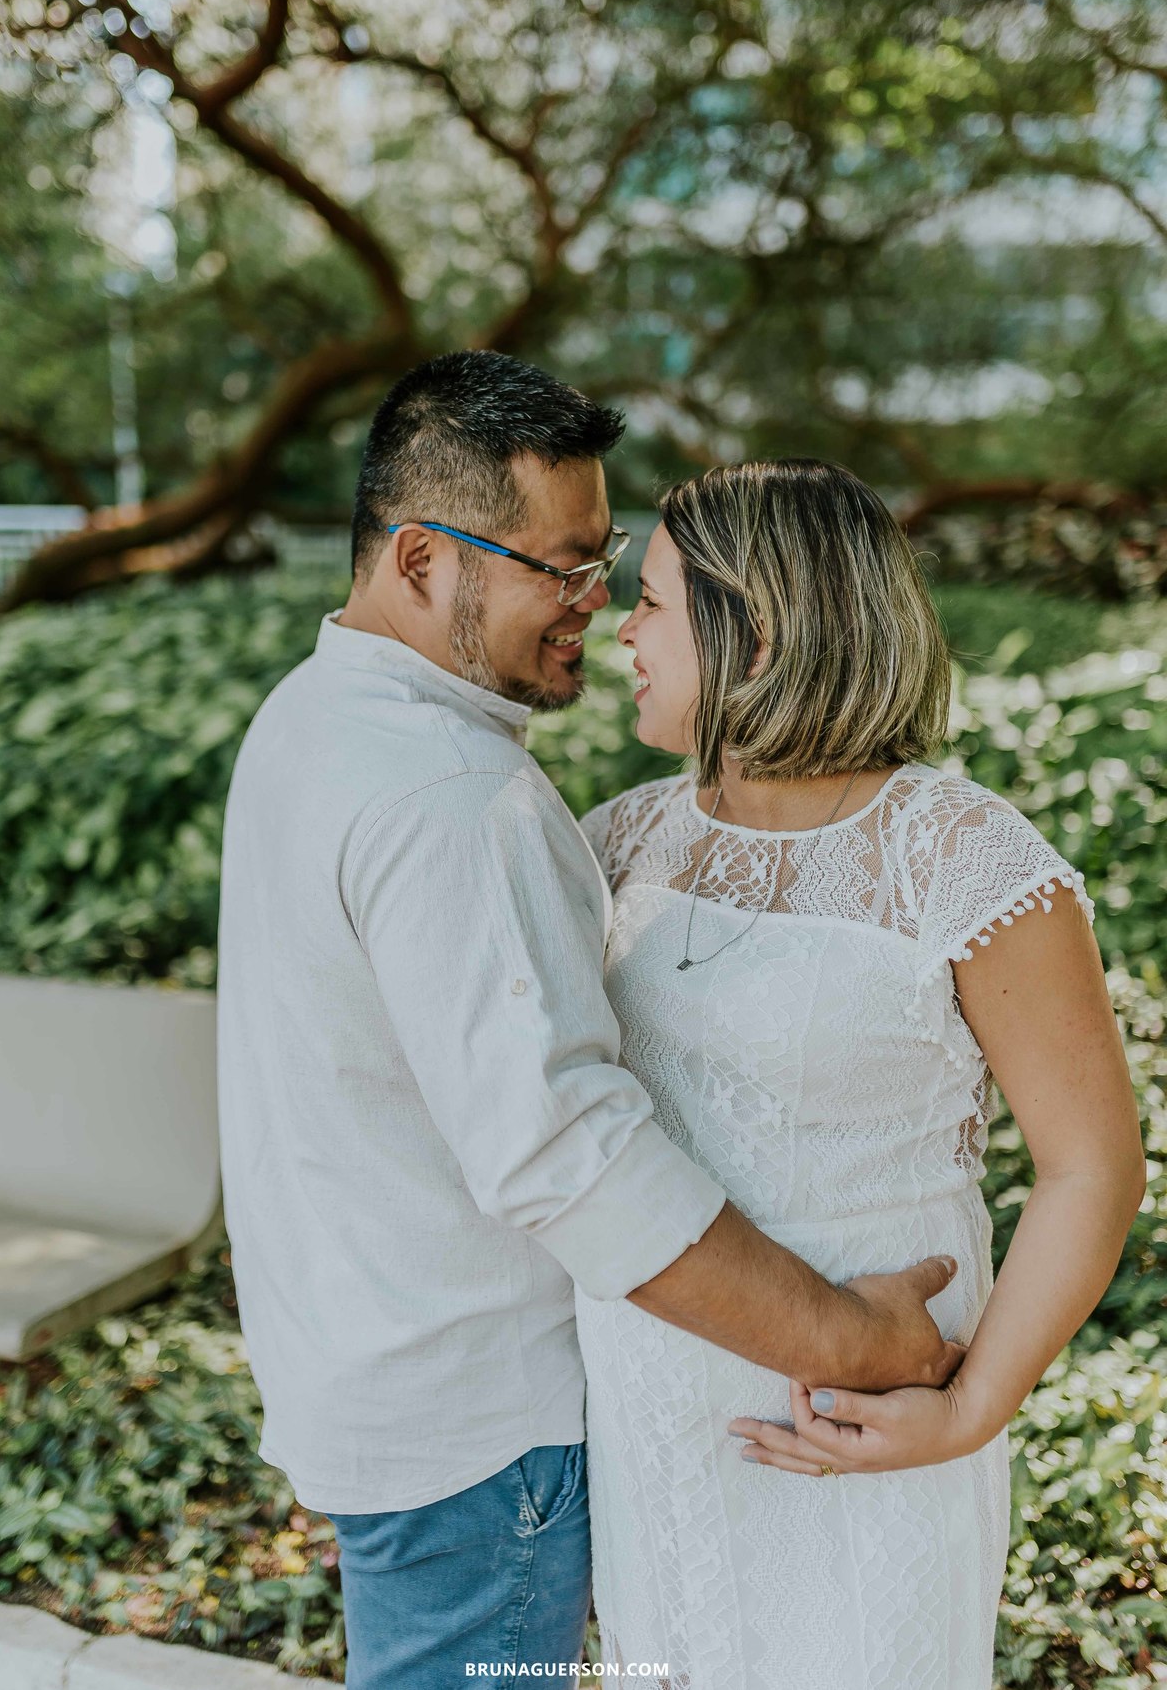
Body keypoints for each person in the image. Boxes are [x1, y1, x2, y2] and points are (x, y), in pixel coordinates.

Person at [216, 358, 961, 1690]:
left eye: (599, 556)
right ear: (423, 558)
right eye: (557, 566)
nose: (597, 602)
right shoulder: (454, 796)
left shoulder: (311, 717)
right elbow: (572, 1161)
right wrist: (857, 1340)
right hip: (479, 1439)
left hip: (378, 1383)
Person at [575, 458, 1146, 1690]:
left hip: (873, 1419)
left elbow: (1092, 1169)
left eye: (656, 601)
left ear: (760, 632)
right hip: (654, 1393)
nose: (621, 626)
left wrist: (972, 1406)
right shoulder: (618, 841)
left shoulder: (963, 857)